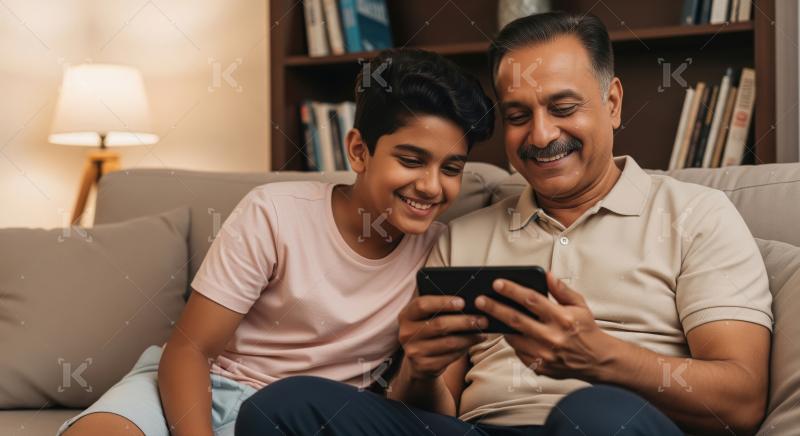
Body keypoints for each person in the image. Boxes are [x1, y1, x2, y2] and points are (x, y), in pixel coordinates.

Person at [236, 12, 773, 436]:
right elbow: (432, 411)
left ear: (611, 104)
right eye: (518, 116)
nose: (540, 136)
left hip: (612, 423)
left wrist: (602, 358)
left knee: (598, 414)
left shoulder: (696, 215)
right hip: (479, 430)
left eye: (563, 107)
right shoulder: (462, 235)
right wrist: (418, 372)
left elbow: (743, 400)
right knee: (283, 406)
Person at [57, 48, 495, 436]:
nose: (431, 186)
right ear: (359, 151)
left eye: (451, 168)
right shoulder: (274, 212)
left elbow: (432, 414)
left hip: (299, 416)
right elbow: (189, 352)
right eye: (411, 160)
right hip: (200, 385)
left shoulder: (443, 253)